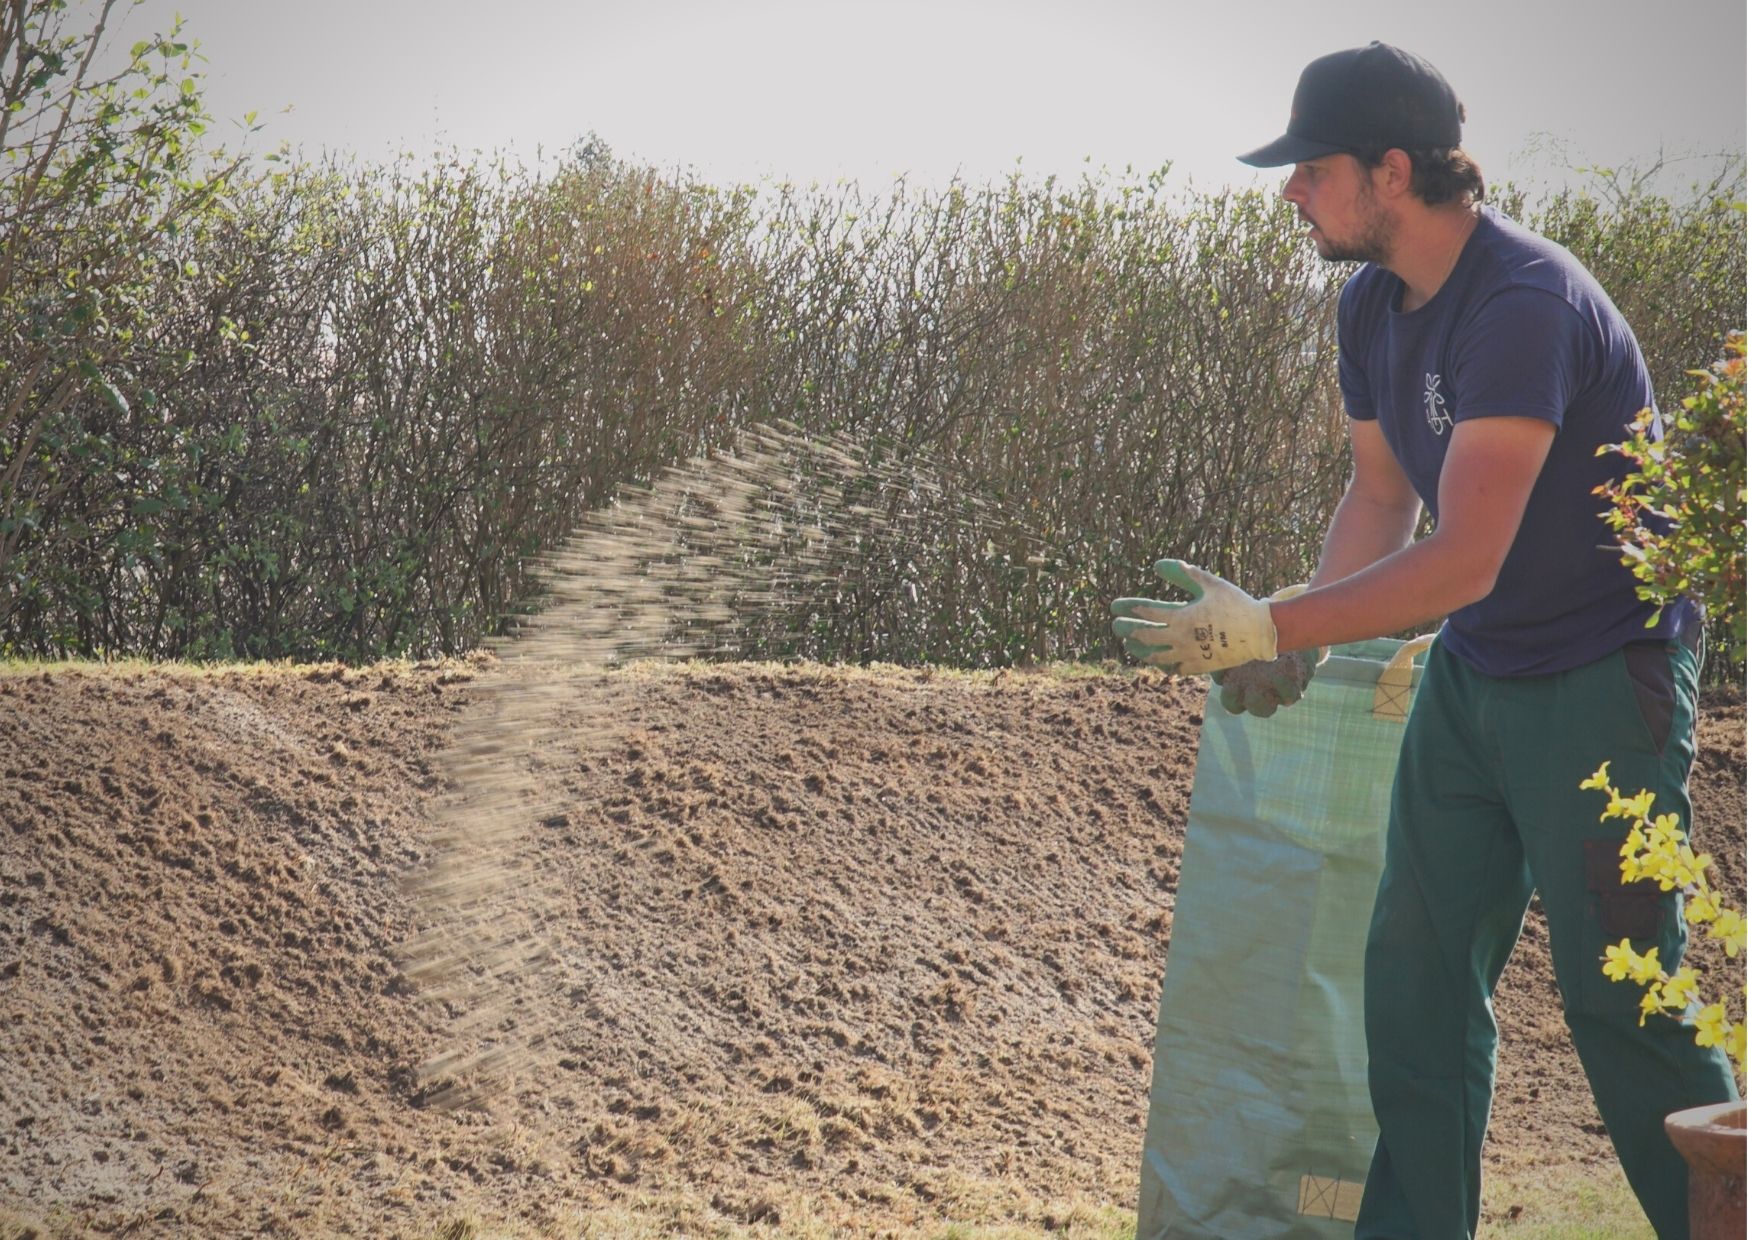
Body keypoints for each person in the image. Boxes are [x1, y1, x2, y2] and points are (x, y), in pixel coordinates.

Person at [1110, 41, 1738, 1240]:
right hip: (1477, 672)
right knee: (1411, 982)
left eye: (1309, 166)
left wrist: (1273, 617)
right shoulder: (1367, 306)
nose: (1288, 190)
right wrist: (1285, 647)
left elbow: (1465, 558)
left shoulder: (1521, 303)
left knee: (1625, 1000)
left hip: (1606, 670)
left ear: (1390, 171)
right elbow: (1380, 501)